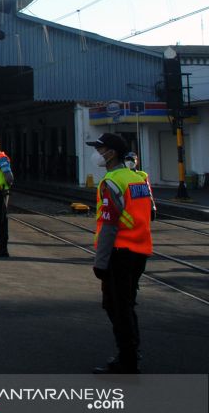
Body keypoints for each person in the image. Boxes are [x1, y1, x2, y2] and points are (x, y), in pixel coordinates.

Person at [88, 133, 153, 374]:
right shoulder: (138, 179)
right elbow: (149, 214)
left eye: (100, 148)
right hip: (140, 250)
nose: (97, 153)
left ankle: (127, 359)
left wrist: (100, 261)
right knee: (125, 304)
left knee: (116, 306)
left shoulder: (112, 181)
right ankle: (131, 352)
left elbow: (109, 224)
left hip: (119, 252)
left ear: (111, 153)